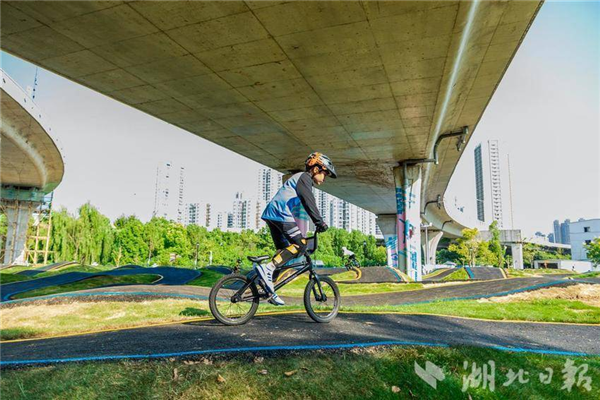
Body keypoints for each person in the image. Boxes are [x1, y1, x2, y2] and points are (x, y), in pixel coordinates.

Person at [256, 152, 337, 305]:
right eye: (324, 173)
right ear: (315, 169)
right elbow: (309, 202)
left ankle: (268, 288)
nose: (324, 177)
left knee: (283, 252)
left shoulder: (301, 179)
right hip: (280, 213)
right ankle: (268, 268)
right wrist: (320, 222)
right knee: (301, 244)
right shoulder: (304, 178)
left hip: (272, 214)